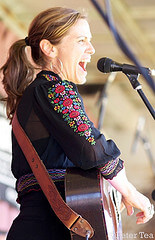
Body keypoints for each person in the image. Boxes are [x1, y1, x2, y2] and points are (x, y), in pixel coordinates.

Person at [1, 7, 154, 240]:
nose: (92, 49)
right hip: (49, 230)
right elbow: (91, 147)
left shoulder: (41, 93)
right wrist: (130, 191)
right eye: (82, 40)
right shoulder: (54, 89)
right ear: (49, 48)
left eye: (90, 41)